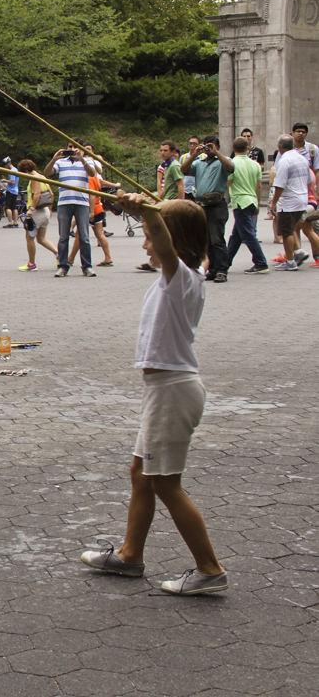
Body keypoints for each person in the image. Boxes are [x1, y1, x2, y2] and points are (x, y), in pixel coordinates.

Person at [81, 191, 227, 596]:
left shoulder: (181, 277)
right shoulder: (178, 278)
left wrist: (149, 211)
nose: (145, 244)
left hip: (173, 390)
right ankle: (130, 557)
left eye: (147, 235)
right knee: (141, 475)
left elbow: (163, 240)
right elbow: (163, 231)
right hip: (164, 389)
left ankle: (209, 568)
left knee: (165, 482)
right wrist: (138, 207)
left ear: (172, 240)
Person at [183, 135, 234, 283]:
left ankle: (222, 270)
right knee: (206, 241)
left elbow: (230, 168)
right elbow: (184, 169)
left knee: (217, 240)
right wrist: (194, 155)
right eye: (206, 146)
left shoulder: (223, 162)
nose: (208, 149)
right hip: (202, 205)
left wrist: (216, 153)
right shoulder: (199, 163)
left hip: (217, 205)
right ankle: (212, 269)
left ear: (217, 146)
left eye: (211, 146)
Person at [44, 142, 96, 277]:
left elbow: (92, 173)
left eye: (75, 147)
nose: (72, 149)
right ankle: (62, 266)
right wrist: (54, 159)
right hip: (64, 203)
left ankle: (87, 267)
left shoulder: (87, 161)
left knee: (84, 236)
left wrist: (82, 159)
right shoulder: (61, 162)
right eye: (70, 147)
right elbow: (47, 173)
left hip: (82, 203)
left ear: (81, 150)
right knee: (63, 237)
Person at [225, 136, 269, 274]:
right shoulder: (255, 164)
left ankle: (261, 262)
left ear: (233, 148)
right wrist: (256, 202)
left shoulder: (232, 164)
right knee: (236, 235)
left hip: (240, 201)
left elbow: (228, 183)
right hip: (251, 200)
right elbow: (259, 186)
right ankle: (225, 262)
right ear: (247, 148)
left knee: (248, 235)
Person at [270, 134, 310, 271]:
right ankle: (298, 252)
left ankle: (290, 261)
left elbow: (279, 185)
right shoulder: (302, 158)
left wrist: (274, 203)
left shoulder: (284, 161)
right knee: (291, 227)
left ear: (279, 147)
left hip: (289, 201)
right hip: (302, 198)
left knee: (286, 231)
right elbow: (309, 179)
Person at [18, 160, 57, 271]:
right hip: (44, 211)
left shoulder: (34, 178)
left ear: (26, 170)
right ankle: (59, 254)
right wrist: (50, 210)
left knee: (29, 238)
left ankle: (31, 264)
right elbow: (51, 194)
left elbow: (37, 194)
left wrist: (31, 209)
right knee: (41, 238)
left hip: (36, 212)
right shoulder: (42, 177)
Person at [0, 161, 20, 228]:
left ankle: (10, 222)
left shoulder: (12, 171)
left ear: (8, 164)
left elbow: (12, 181)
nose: (5, 167)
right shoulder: (16, 169)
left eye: (5, 166)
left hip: (11, 191)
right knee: (14, 207)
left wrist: (5, 180)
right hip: (15, 190)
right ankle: (16, 222)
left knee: (8, 207)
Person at [182, 136, 201, 200]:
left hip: (199, 190)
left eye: (195, 143)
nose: (192, 145)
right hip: (186, 190)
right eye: (190, 143)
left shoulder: (204, 157)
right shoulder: (183, 157)